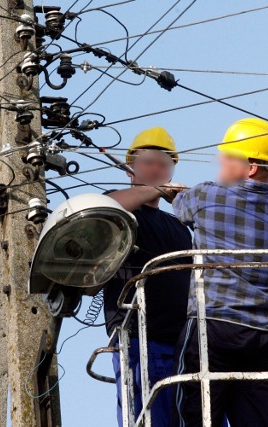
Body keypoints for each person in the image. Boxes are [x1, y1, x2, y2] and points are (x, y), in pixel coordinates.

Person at [170, 118, 268, 427]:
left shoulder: (207, 195)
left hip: (215, 327)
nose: (220, 161)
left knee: (197, 414)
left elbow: (182, 206)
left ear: (252, 165)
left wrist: (175, 193)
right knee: (257, 418)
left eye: (229, 156)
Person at [103, 126, 192, 427]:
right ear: (131, 168)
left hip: (182, 341)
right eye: (148, 161)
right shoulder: (120, 211)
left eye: (164, 164)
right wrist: (155, 191)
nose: (156, 168)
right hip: (137, 337)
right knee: (146, 417)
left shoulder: (179, 227)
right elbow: (109, 206)